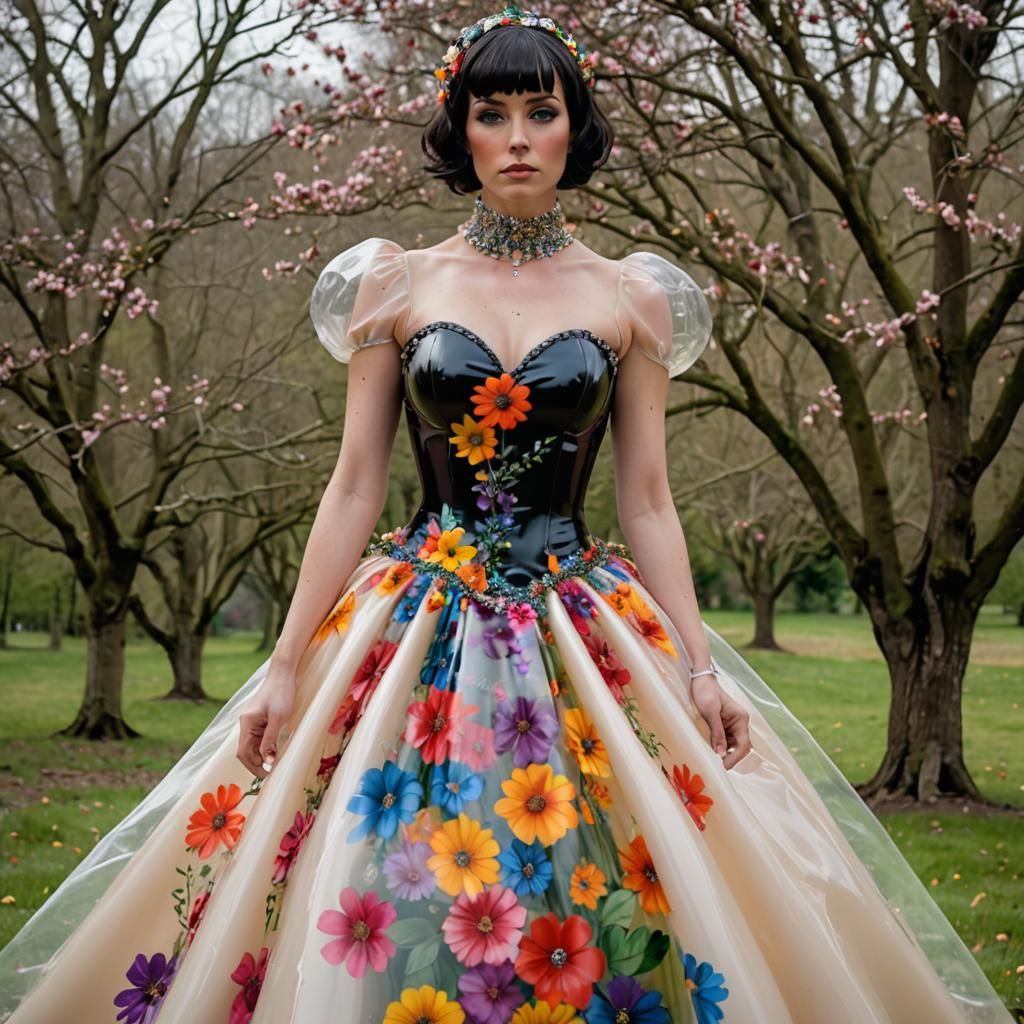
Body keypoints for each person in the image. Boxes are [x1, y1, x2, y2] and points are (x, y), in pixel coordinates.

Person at [0, 6, 1013, 1023]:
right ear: (461, 128)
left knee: (607, 885)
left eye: (542, 109)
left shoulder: (632, 297)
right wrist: (287, 664)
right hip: (414, 627)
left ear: (575, 125)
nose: (519, 136)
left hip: (582, 619)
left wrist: (701, 672)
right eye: (493, 113)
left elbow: (648, 496)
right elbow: (354, 481)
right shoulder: (395, 283)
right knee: (390, 879)